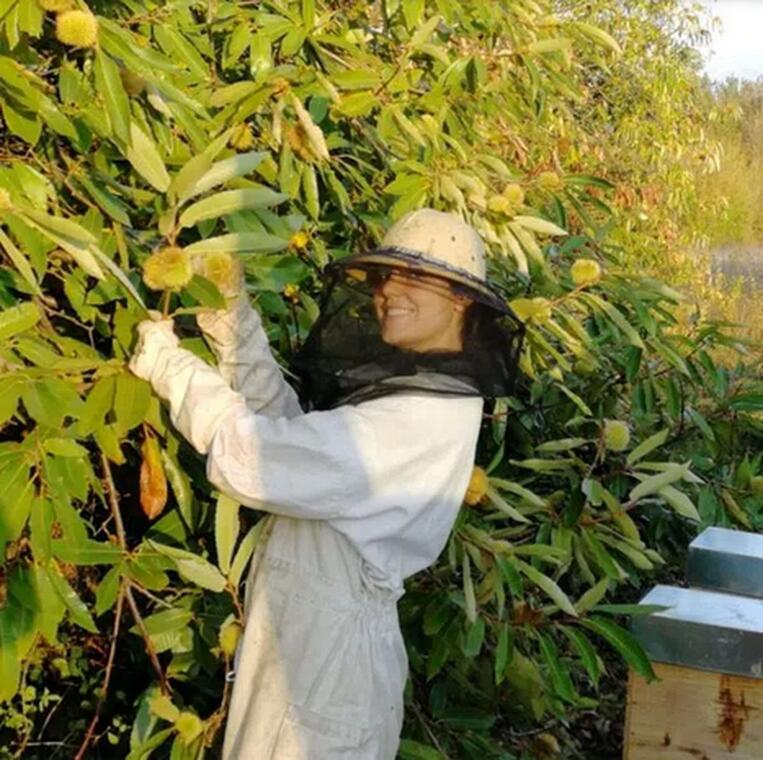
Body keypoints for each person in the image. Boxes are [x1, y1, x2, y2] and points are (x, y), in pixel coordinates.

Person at [129, 208, 523, 759]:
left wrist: (171, 368)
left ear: (461, 298)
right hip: (310, 641)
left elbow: (259, 459)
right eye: (388, 274)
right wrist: (231, 319)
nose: (390, 290)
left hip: (328, 667)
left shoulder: (419, 418)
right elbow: (294, 438)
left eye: (416, 277)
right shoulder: (419, 390)